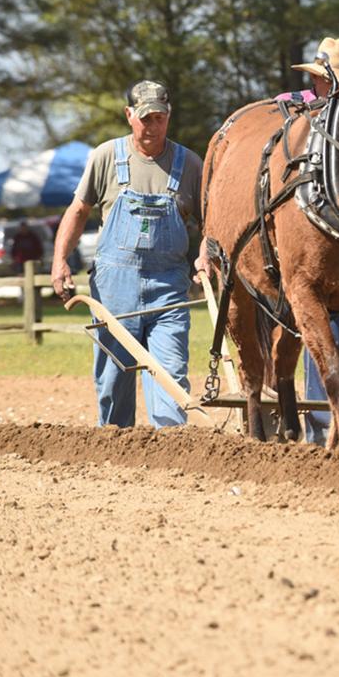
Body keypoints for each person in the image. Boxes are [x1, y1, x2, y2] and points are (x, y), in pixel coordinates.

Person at [50, 80, 204, 428]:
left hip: (168, 288)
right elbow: (77, 211)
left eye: (159, 119)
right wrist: (60, 260)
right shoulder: (106, 156)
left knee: (170, 378)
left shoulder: (190, 163)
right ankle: (118, 459)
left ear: (169, 117)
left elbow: (210, 225)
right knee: (112, 384)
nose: (152, 127)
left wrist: (206, 254)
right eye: (145, 118)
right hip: (114, 291)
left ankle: (170, 454)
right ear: (129, 115)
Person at [279, 37, 339, 445]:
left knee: (336, 338)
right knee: (320, 336)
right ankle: (320, 426)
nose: (336, 92)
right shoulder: (296, 108)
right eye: (331, 83)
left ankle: (328, 426)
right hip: (306, 244)